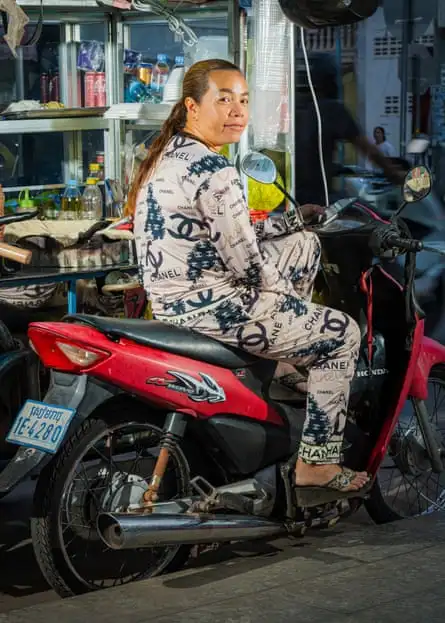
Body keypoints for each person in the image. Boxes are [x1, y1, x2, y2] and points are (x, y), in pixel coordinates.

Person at [128, 58, 369, 494]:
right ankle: (318, 463)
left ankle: (279, 364)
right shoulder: (215, 171)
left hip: (170, 299)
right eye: (223, 99)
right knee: (343, 335)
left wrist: (291, 222)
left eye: (242, 100)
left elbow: (228, 236)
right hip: (215, 307)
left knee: (303, 245)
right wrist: (294, 307)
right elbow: (248, 266)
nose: (237, 110)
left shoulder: (172, 154)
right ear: (192, 107)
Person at [294, 53, 404, 206]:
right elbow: (368, 149)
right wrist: (394, 175)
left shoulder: (298, 108)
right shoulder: (331, 110)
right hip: (317, 199)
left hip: (293, 196)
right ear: (331, 81)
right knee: (363, 212)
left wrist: (336, 168)